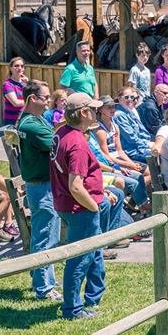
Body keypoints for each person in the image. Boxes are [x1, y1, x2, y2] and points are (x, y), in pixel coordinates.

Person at [50, 93, 123, 320]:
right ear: (83, 113)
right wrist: (93, 205)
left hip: (69, 204)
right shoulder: (78, 143)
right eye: (92, 109)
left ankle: (93, 296)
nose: (96, 113)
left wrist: (100, 195)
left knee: (93, 252)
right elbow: (76, 186)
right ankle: (72, 308)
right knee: (80, 258)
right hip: (79, 207)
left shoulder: (61, 133)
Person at [17, 80, 63, 301]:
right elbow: (58, 144)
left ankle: (41, 276)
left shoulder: (34, 120)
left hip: (41, 185)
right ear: (32, 99)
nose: (48, 102)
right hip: (42, 187)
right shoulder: (31, 125)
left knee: (43, 234)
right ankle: (44, 287)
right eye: (44, 97)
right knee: (46, 237)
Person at [93, 97, 150, 211]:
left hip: (119, 158)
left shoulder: (115, 126)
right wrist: (128, 165)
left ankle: (133, 200)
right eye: (108, 107)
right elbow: (106, 155)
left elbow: (120, 151)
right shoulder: (100, 130)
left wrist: (130, 163)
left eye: (113, 106)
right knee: (137, 175)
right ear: (100, 109)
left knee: (149, 171)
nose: (112, 109)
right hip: (111, 162)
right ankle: (142, 205)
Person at [113, 86, 155, 164]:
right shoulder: (119, 115)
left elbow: (142, 131)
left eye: (132, 97)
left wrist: (149, 143)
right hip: (132, 151)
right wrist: (147, 145)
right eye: (126, 97)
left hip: (140, 147)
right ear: (119, 98)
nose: (130, 99)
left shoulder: (129, 111)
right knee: (162, 155)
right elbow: (131, 138)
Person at [1, 57, 27, 125]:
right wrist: (31, 102)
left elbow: (34, 96)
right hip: (12, 121)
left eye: (22, 66)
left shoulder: (26, 83)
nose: (20, 68)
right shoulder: (7, 84)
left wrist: (28, 84)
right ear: (10, 68)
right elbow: (16, 103)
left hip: (25, 119)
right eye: (16, 66)